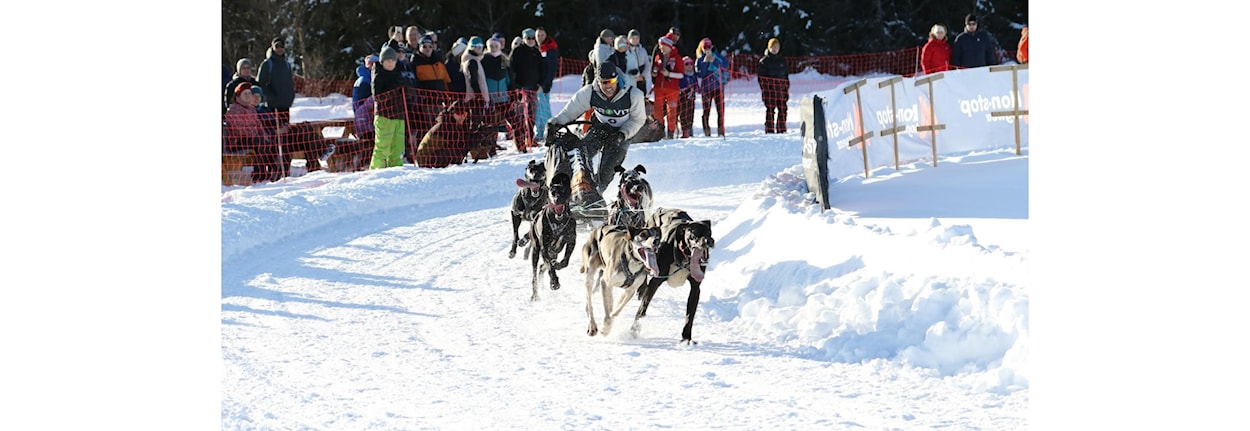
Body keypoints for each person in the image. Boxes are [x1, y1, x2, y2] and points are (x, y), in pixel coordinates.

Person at [547, 65, 647, 191]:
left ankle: (596, 196)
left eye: (611, 82)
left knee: (606, 171)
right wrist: (553, 124)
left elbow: (638, 120)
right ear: (598, 81)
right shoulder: (589, 92)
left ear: (617, 79)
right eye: (603, 82)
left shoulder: (633, 94)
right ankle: (571, 192)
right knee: (579, 159)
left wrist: (622, 134)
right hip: (600, 129)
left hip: (622, 135)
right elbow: (569, 112)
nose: (608, 86)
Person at [224, 82, 283, 182]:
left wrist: (264, 136)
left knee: (270, 142)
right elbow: (239, 130)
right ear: (238, 96)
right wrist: (256, 135)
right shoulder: (233, 110)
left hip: (254, 139)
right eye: (245, 94)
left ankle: (275, 172)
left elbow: (259, 126)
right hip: (239, 142)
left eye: (249, 93)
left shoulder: (251, 109)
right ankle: (259, 174)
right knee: (259, 142)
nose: (248, 96)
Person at [371, 46, 407, 169]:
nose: (391, 63)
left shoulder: (399, 73)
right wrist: (395, 88)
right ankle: (377, 170)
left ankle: (395, 171)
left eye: (393, 60)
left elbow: (406, 94)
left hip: (399, 115)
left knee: (397, 148)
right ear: (382, 61)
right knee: (382, 147)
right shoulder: (378, 74)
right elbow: (378, 97)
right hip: (384, 116)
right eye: (388, 60)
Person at [510, 28, 545, 152]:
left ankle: (530, 138)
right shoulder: (517, 51)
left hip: (533, 88)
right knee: (519, 116)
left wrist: (541, 84)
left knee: (531, 115)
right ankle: (520, 141)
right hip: (520, 88)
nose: (530, 40)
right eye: (528, 38)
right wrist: (515, 87)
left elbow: (542, 69)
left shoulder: (536, 52)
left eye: (532, 38)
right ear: (524, 39)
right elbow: (511, 69)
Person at [256, 37, 296, 127]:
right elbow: (260, 83)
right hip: (272, 107)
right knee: (274, 132)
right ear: (272, 47)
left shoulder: (287, 65)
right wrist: (270, 96)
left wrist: (291, 96)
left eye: (282, 46)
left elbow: (290, 83)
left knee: (285, 131)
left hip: (285, 105)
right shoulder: (267, 64)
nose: (280, 49)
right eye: (277, 46)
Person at [694, 38, 729, 137]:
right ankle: (706, 131)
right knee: (706, 111)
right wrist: (705, 63)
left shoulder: (717, 56)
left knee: (720, 110)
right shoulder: (699, 60)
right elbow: (700, 74)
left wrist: (714, 61)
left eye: (709, 47)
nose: (707, 49)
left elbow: (725, 66)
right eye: (705, 47)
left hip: (718, 87)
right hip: (706, 88)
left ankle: (721, 130)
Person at [652, 35, 684, 139]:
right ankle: (660, 131)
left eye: (662, 46)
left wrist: (669, 74)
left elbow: (681, 75)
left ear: (668, 46)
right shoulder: (658, 56)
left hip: (672, 89)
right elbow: (655, 67)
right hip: (659, 88)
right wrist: (654, 72)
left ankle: (671, 132)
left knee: (671, 111)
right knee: (657, 111)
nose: (660, 48)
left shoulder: (677, 58)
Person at [758, 38, 790, 134]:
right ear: (769, 48)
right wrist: (766, 89)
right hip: (769, 91)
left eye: (776, 47)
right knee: (770, 110)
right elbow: (761, 78)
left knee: (783, 109)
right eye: (773, 47)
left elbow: (786, 76)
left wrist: (786, 89)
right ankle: (769, 129)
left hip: (781, 90)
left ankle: (782, 129)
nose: (775, 49)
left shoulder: (782, 61)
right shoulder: (764, 61)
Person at [534, 27, 559, 143]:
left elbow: (551, 68)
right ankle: (539, 133)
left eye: (542, 35)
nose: (540, 38)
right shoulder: (538, 49)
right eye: (538, 35)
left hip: (544, 85)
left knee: (544, 109)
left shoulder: (550, 49)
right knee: (538, 109)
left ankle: (550, 131)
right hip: (537, 84)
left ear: (546, 36)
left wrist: (546, 84)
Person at [461, 36, 490, 126]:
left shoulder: (475, 60)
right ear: (471, 47)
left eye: (480, 46)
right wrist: (479, 96)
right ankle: (472, 139)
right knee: (475, 122)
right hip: (474, 98)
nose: (479, 48)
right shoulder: (471, 61)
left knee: (476, 121)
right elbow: (473, 80)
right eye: (476, 46)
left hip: (476, 97)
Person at [677, 56, 699, 139]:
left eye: (691, 64)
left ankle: (690, 129)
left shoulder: (693, 75)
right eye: (687, 64)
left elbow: (697, 85)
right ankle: (684, 131)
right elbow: (679, 85)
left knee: (691, 114)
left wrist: (695, 88)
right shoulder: (682, 75)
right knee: (683, 114)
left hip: (691, 98)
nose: (689, 66)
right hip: (683, 98)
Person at [626, 29, 652, 95]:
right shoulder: (626, 51)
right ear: (629, 39)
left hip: (642, 78)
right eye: (633, 38)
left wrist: (643, 76)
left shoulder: (642, 50)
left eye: (637, 38)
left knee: (642, 95)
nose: (635, 40)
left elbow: (647, 65)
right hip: (631, 77)